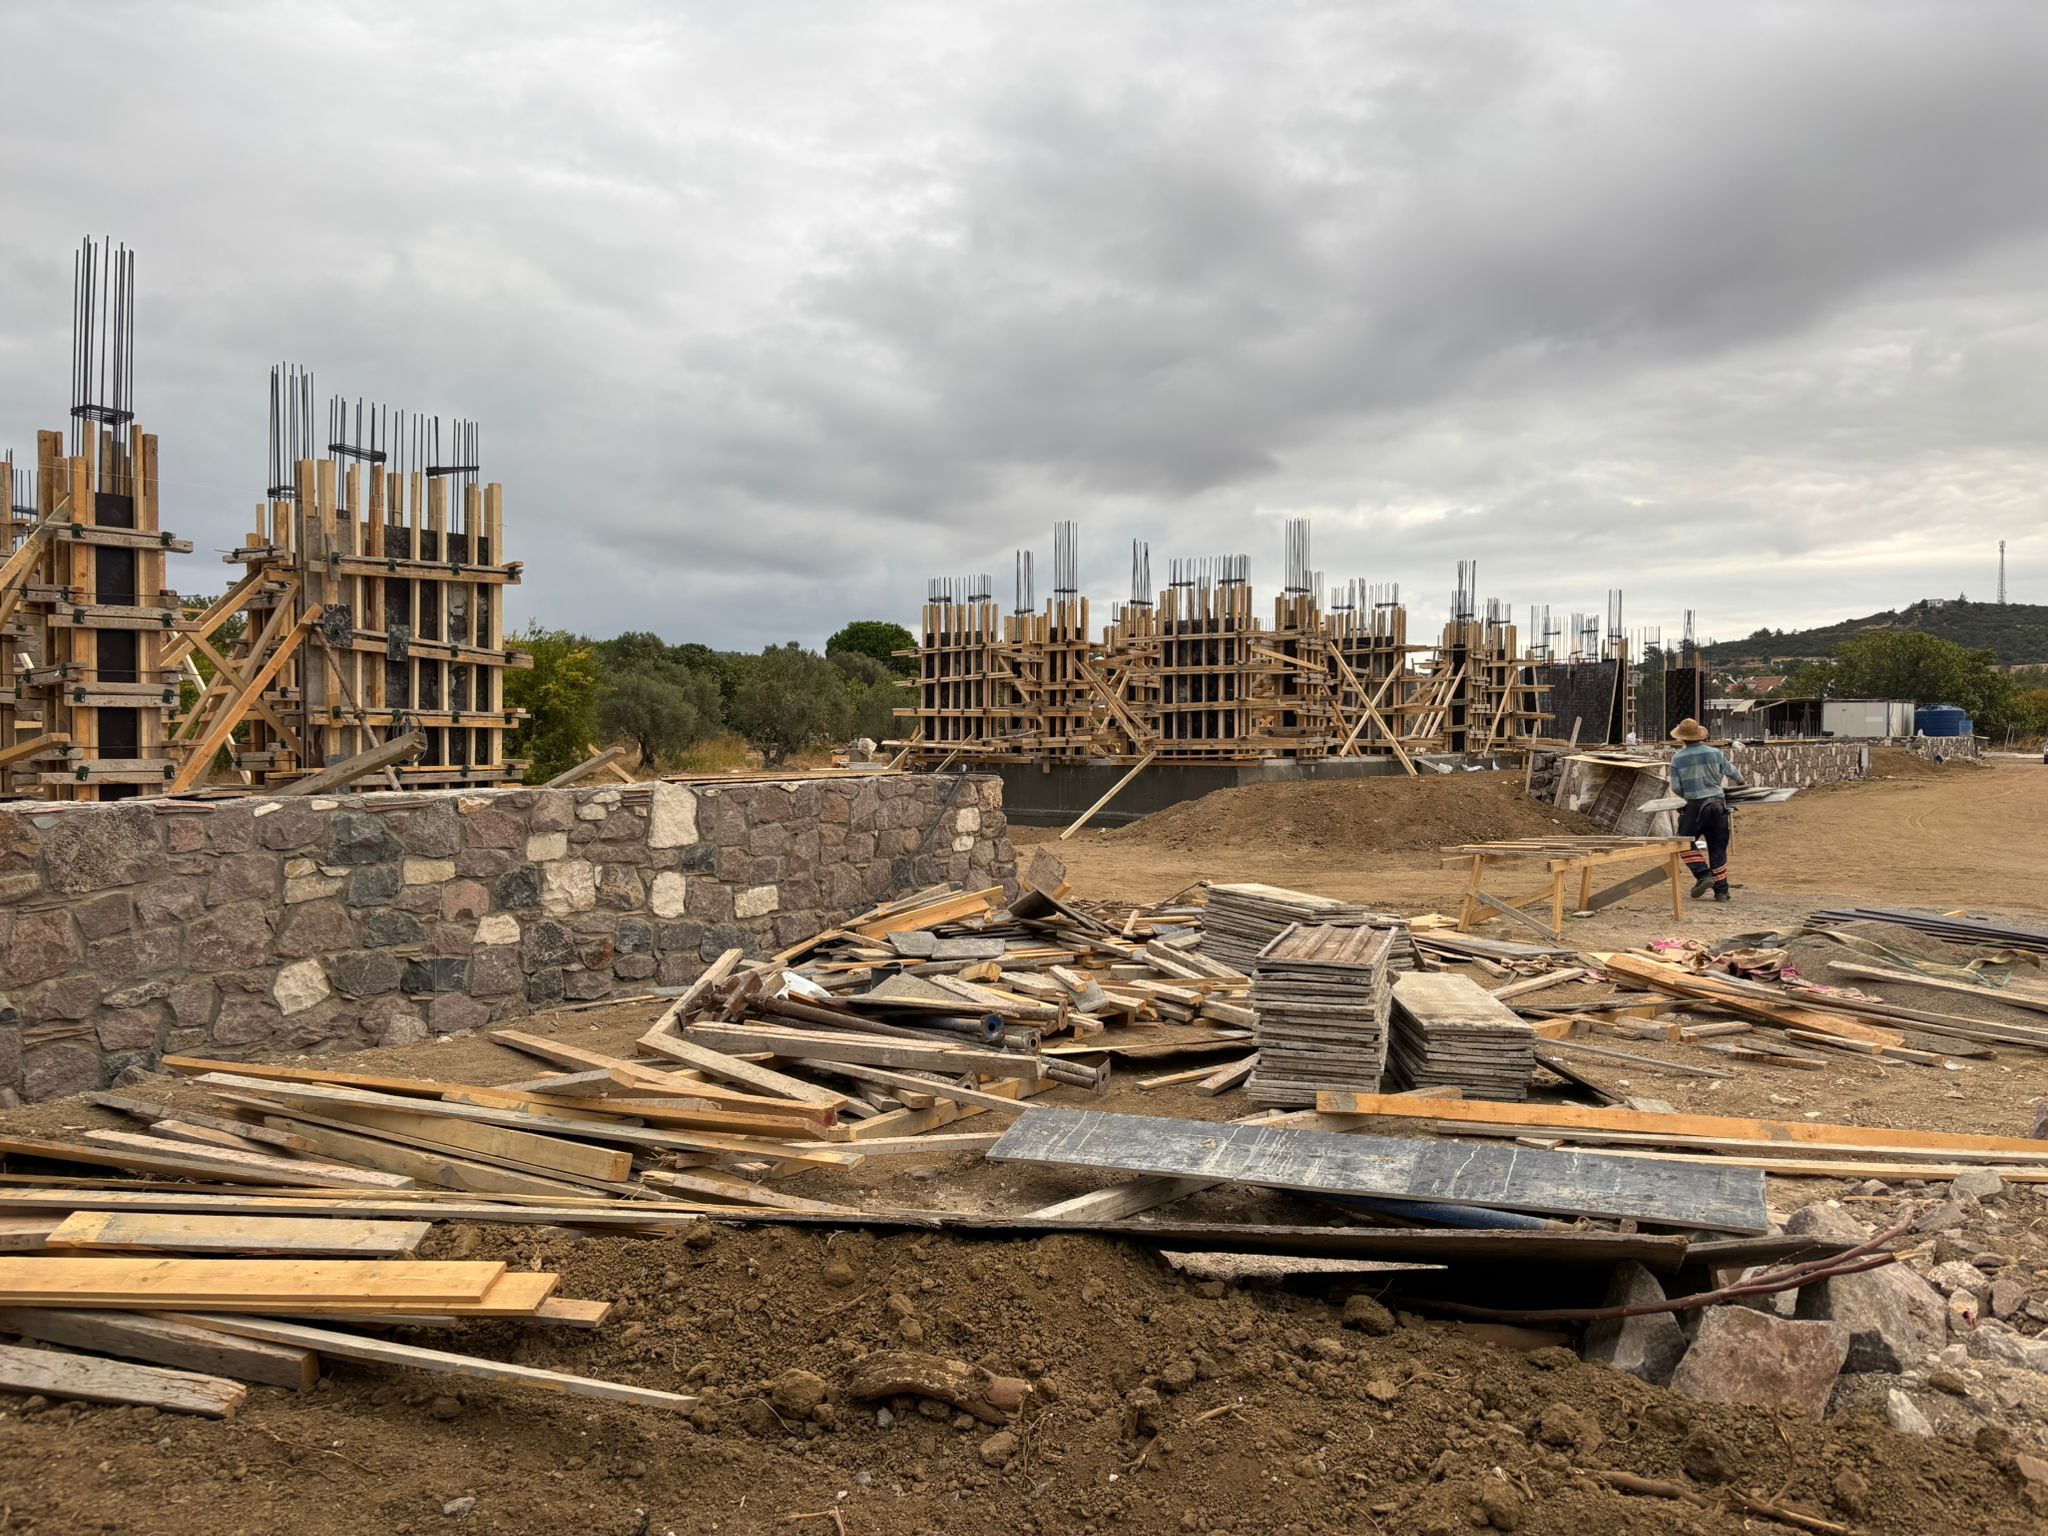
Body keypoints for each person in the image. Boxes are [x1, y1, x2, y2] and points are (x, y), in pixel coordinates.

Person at [1668, 718, 1744, 902]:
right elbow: (1734, 773)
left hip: (1694, 806)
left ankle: (1703, 874)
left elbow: (1676, 787)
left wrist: (1689, 794)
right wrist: (1741, 785)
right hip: (1718, 805)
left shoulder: (1678, 758)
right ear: (1700, 736)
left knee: (1683, 843)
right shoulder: (1715, 753)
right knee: (1718, 848)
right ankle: (1722, 891)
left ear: (1682, 739)